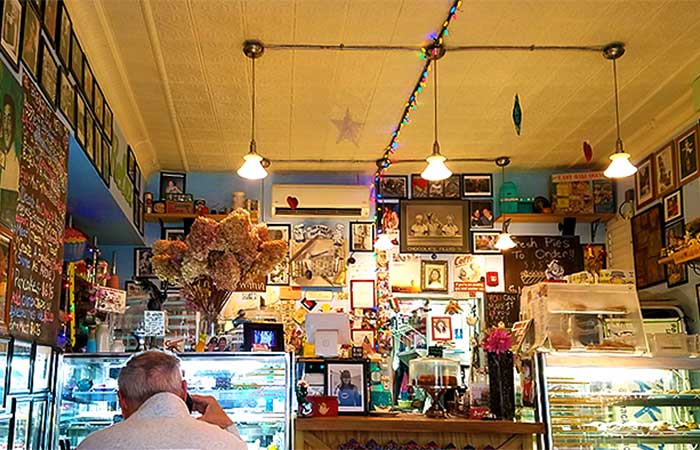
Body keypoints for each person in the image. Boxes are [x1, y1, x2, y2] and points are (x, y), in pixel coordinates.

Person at [76, 350, 246, 450]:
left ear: (122, 400)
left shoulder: (92, 445)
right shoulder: (227, 444)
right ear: (184, 391)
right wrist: (228, 427)